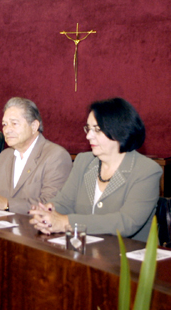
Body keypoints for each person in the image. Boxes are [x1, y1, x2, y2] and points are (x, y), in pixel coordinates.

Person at [29, 98, 161, 240]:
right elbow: (65, 202)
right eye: (88, 129)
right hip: (86, 251)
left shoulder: (146, 170)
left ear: (119, 131)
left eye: (97, 130)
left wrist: (66, 222)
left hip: (129, 258)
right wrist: (47, 213)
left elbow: (126, 222)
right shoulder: (84, 161)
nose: (88, 136)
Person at [0, 97, 72, 213]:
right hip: (2, 228)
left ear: (34, 126)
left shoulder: (56, 156)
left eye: (14, 123)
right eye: (4, 124)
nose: (7, 130)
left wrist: (7, 204)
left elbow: (52, 204)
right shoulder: (4, 156)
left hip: (35, 228)